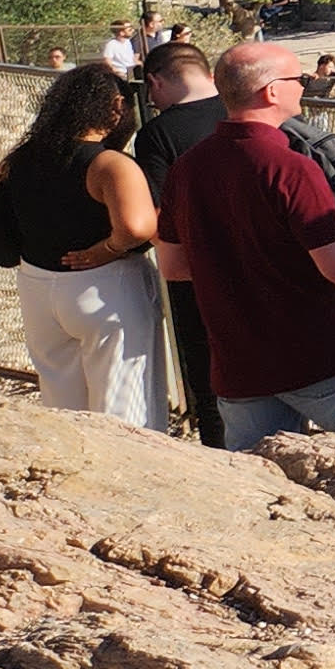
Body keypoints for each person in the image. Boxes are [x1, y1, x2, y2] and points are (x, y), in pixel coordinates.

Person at [153, 42, 335, 446]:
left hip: (238, 362)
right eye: (298, 79)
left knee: (262, 474)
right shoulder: (291, 167)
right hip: (318, 354)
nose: (304, 86)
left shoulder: (187, 167)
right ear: (271, 91)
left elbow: (173, 267)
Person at [0, 62, 165, 428]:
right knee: (124, 407)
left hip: (36, 285)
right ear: (116, 106)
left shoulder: (19, 157)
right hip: (106, 287)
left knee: (61, 404)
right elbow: (137, 226)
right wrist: (107, 249)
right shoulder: (108, 164)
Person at [129, 39, 225, 447]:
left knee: (209, 378)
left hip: (195, 272)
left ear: (155, 82)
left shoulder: (157, 134)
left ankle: (223, 463)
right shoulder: (244, 109)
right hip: (265, 262)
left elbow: (158, 209)